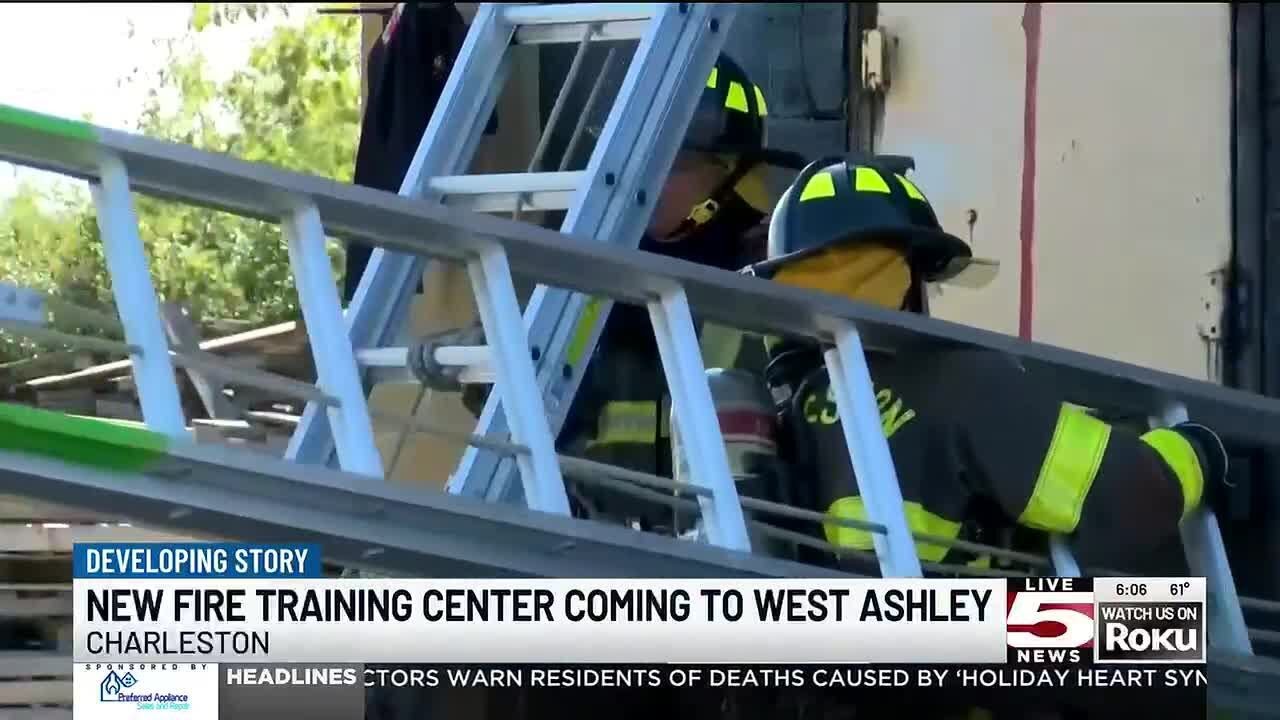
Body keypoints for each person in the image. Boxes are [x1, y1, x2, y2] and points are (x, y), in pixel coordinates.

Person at [739, 155, 1230, 575]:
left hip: (807, 652)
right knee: (1169, 630)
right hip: (944, 651)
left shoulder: (782, 407)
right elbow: (1126, 498)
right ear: (908, 278)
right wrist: (1199, 452)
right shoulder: (963, 383)